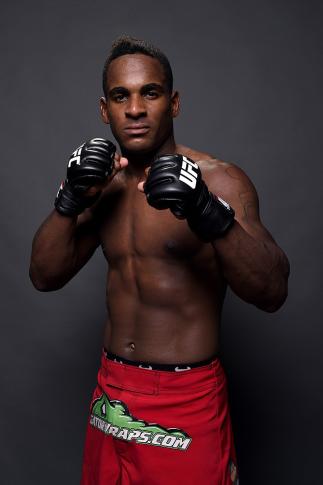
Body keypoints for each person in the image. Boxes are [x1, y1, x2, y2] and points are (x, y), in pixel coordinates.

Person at [29, 36, 290, 485]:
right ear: (103, 110)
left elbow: (272, 291)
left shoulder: (222, 181)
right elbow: (44, 275)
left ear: (173, 103)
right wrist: (70, 199)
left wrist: (210, 214)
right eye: (120, 96)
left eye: (149, 93)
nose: (134, 108)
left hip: (185, 400)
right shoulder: (100, 182)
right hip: (110, 394)